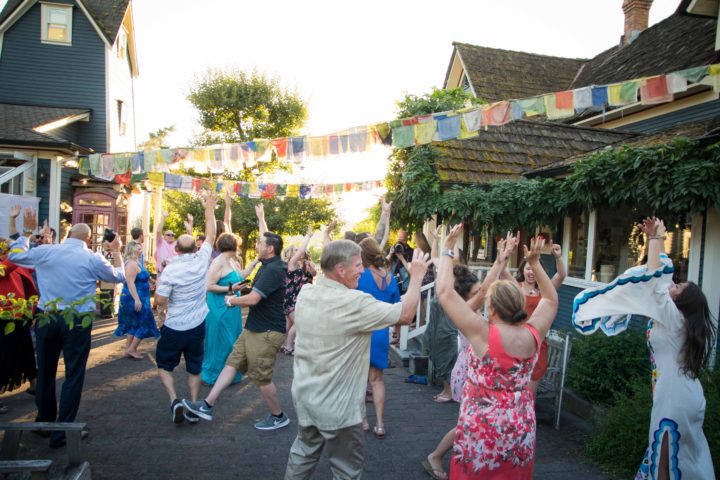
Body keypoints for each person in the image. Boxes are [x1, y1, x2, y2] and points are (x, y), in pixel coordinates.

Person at [572, 217, 715, 480]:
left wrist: (656, 238)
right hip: (681, 393)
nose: (673, 284)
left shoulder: (673, 319)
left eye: (678, 287)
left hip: (675, 397)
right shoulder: (674, 319)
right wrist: (654, 240)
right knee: (682, 455)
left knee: (665, 453)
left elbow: (654, 282)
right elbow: (658, 281)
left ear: (683, 303)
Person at [283, 240, 431, 479]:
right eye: (358, 265)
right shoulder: (353, 304)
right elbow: (405, 315)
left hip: (306, 397)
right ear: (340, 270)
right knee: (346, 471)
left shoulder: (306, 292)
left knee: (303, 454)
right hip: (339, 409)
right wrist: (416, 278)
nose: (362, 270)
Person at [437, 224, 558, 479]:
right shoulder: (534, 334)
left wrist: (447, 250)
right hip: (520, 428)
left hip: (482, 429)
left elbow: (445, 293)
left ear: (491, 309)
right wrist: (534, 263)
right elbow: (550, 300)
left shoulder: (483, 335)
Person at [9, 210, 125, 448]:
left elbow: (16, 256)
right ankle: (62, 431)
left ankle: (44, 420)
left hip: (47, 315)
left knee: (46, 369)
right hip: (78, 319)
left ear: (67, 234)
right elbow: (118, 277)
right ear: (87, 239)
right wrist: (115, 251)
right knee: (74, 373)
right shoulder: (93, 258)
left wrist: (27, 235)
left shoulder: (47, 251)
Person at [184, 204, 290, 431]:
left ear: (270, 249)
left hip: (267, 332)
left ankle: (278, 416)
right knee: (232, 363)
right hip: (254, 328)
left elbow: (253, 299)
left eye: (261, 243)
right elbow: (250, 291)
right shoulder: (268, 263)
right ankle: (207, 405)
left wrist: (232, 299)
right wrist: (261, 217)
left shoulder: (274, 269)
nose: (257, 244)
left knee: (261, 377)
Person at [153, 193, 217, 424]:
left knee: (164, 365)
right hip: (197, 326)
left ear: (176, 250)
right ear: (194, 248)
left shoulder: (170, 269)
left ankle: (173, 399)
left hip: (174, 325)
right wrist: (209, 209)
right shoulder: (202, 260)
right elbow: (211, 234)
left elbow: (160, 300)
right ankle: (192, 405)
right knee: (194, 368)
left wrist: (164, 296)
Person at [423, 264, 484, 480]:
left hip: (472, 372)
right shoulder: (465, 313)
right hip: (469, 373)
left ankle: (468, 458)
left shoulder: (472, 311)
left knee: (473, 422)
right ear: (466, 297)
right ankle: (436, 456)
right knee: (468, 423)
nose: (482, 294)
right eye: (476, 292)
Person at [355, 237, 400, 438]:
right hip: (381, 333)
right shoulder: (390, 278)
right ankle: (380, 424)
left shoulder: (361, 276)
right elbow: (396, 307)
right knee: (377, 379)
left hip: (362, 331)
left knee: (359, 380)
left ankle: (364, 421)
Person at [509, 238, 565, 396]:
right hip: (516, 344)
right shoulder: (516, 287)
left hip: (538, 347)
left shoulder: (545, 292)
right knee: (512, 392)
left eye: (535, 269)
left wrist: (558, 257)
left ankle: (527, 420)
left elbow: (561, 275)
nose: (531, 272)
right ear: (522, 270)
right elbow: (502, 273)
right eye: (528, 268)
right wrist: (507, 252)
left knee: (529, 395)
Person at [201, 232, 258, 386]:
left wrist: (255, 262)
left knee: (233, 342)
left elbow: (241, 275)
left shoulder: (233, 261)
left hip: (232, 308)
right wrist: (230, 288)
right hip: (219, 309)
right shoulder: (217, 262)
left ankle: (230, 375)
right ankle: (214, 375)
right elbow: (209, 286)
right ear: (234, 246)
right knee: (221, 342)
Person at [0, 228, 38, 415]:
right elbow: (12, 263)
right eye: (5, 249)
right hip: (4, 317)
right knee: (4, 354)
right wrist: (25, 237)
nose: (7, 252)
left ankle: (34, 383)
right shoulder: (5, 266)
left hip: (20, 315)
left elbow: (32, 263)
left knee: (26, 349)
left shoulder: (13, 263)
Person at [114, 240, 159, 359]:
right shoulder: (131, 264)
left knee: (134, 323)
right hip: (135, 297)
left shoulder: (137, 262)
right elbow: (130, 283)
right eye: (138, 249)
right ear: (132, 250)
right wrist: (137, 300)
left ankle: (128, 349)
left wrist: (151, 283)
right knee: (145, 322)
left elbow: (142, 277)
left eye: (141, 249)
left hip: (142, 296)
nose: (141, 251)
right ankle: (132, 348)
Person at [280, 226, 316, 356]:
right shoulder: (291, 264)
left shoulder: (301, 265)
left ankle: (283, 345)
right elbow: (301, 251)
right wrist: (309, 237)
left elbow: (313, 274)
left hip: (297, 299)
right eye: (295, 250)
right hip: (291, 299)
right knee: (299, 323)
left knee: (289, 325)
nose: (300, 252)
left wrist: (309, 266)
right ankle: (289, 347)